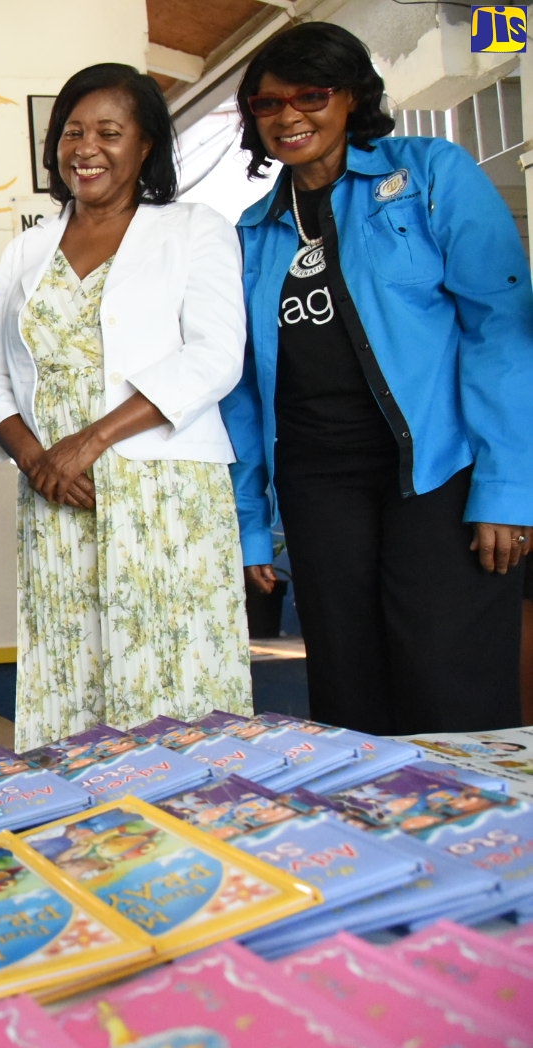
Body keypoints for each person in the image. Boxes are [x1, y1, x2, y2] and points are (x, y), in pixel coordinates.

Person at [220, 23, 533, 736]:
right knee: (347, 692)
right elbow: (240, 393)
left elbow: (500, 327)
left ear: (353, 97)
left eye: (311, 95)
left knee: (449, 684)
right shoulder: (251, 231)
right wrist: (252, 528)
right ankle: (371, 837)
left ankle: (475, 842)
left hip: (437, 475)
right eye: (267, 105)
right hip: (318, 488)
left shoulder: (430, 175)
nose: (289, 116)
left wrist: (510, 487)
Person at [0, 63, 251, 750]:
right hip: (58, 498)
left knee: (172, 670)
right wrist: (39, 462)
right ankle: (80, 821)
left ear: (146, 144)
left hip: (165, 493)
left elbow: (215, 357)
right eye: (72, 132)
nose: (85, 148)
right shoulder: (26, 250)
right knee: (71, 668)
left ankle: (194, 814)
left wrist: (86, 443)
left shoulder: (193, 229)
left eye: (108, 132)